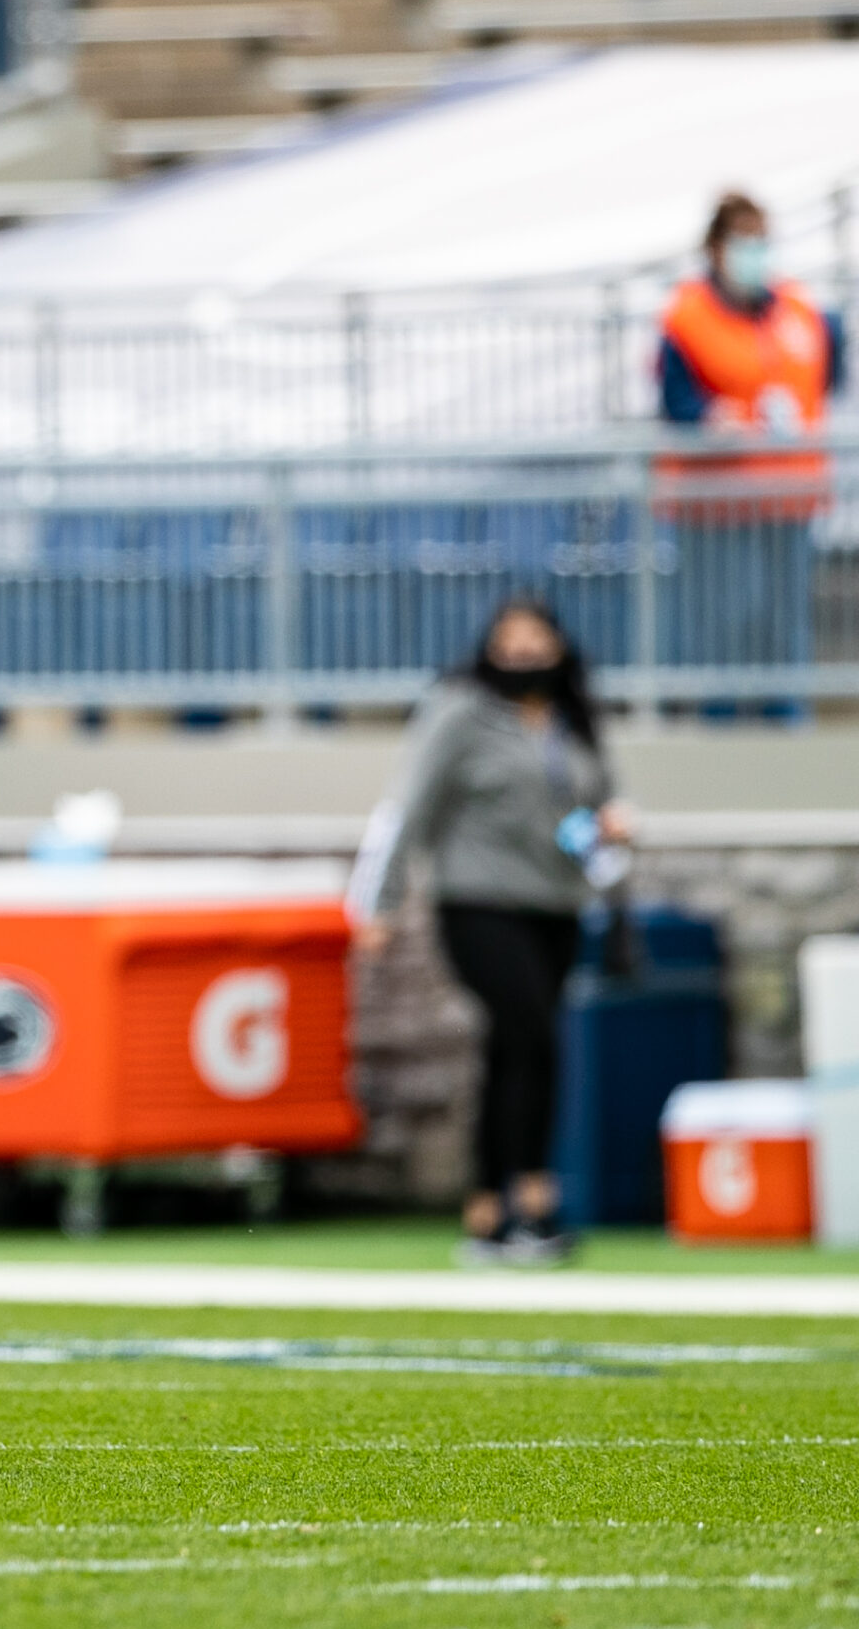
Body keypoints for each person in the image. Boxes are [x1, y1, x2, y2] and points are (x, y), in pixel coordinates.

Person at [352, 598, 630, 1267]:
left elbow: (592, 805)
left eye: (537, 641)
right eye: (512, 642)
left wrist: (612, 834)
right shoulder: (461, 711)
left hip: (555, 903)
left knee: (523, 1048)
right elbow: (410, 803)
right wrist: (379, 903)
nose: (525, 655)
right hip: (476, 899)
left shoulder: (570, 719)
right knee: (526, 1029)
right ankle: (520, 1201)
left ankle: (498, 1210)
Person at [656, 191, 846, 706]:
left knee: (784, 629)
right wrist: (713, 420)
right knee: (721, 628)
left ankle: (787, 722)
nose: (755, 253)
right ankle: (720, 728)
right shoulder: (687, 317)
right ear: (716, 247)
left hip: (788, 498)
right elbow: (675, 402)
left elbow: (827, 375)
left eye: (762, 240)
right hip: (717, 503)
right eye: (744, 240)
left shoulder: (799, 310)